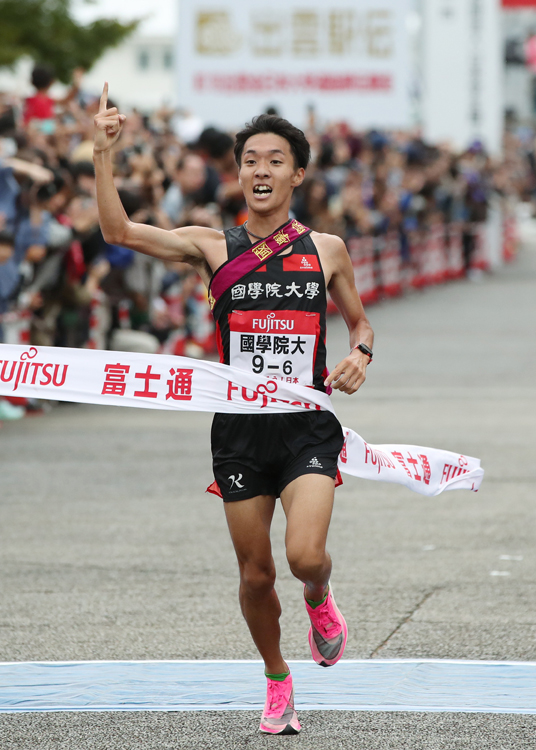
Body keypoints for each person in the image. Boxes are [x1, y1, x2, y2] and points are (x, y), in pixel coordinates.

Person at [93, 84, 374, 735]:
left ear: (297, 174)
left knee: (303, 557)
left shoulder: (326, 250)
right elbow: (117, 230)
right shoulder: (212, 245)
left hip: (307, 427)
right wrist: (102, 155)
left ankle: (320, 596)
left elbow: (361, 325)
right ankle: (278, 678)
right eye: (251, 159)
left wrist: (361, 354)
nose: (261, 171)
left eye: (275, 160)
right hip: (239, 433)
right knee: (254, 573)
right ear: (238, 170)